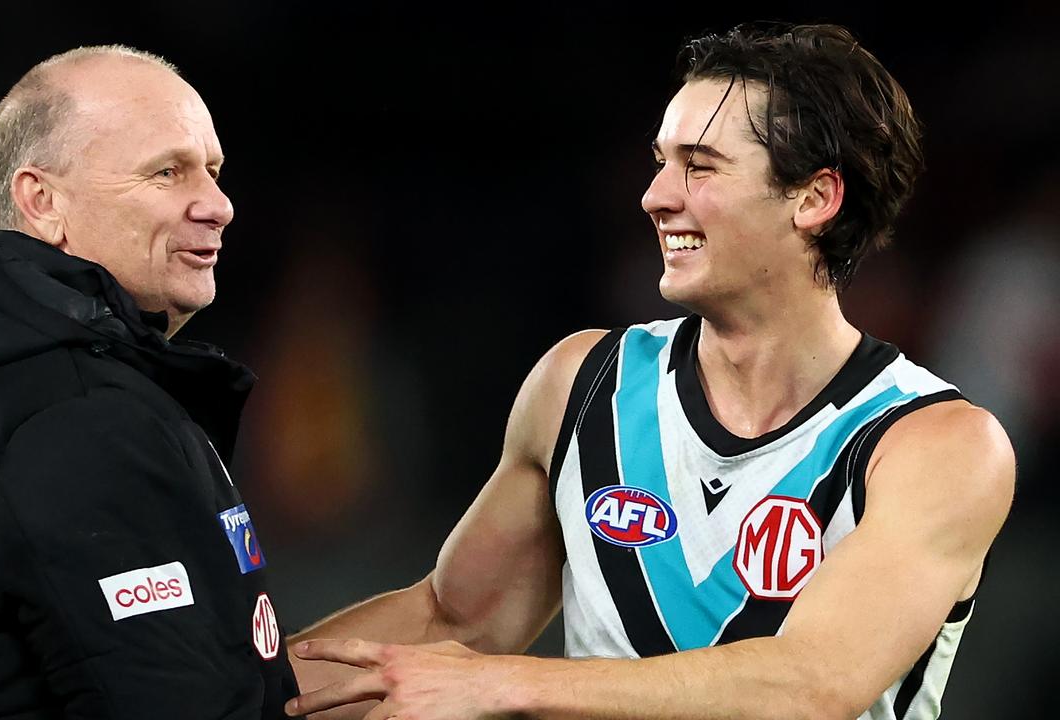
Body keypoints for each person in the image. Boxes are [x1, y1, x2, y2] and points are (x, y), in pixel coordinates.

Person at [285, 23, 1015, 720]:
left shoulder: (935, 444)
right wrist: (223, 688)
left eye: (700, 167)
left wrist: (499, 684)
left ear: (815, 198)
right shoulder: (582, 382)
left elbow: (809, 684)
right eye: (661, 163)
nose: (657, 196)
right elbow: (453, 621)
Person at [0, 45, 303, 718]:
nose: (218, 204)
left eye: (213, 170)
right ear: (42, 201)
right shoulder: (76, 417)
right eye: (167, 172)